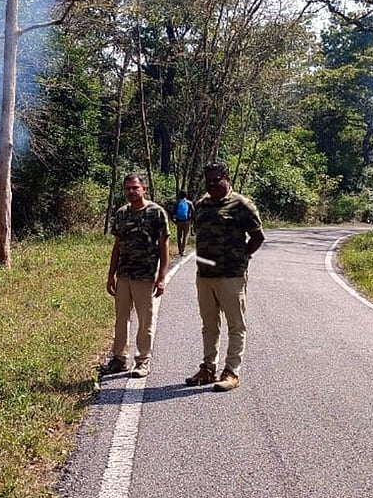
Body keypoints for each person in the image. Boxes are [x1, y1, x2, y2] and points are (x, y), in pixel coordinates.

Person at [185, 161, 264, 392]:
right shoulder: (200, 205)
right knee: (209, 324)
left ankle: (231, 372)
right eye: (208, 181)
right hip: (205, 275)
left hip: (231, 275)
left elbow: (258, 237)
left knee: (235, 325)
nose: (212, 185)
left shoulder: (242, 204)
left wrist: (242, 257)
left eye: (216, 180)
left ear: (226, 178)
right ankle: (208, 368)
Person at [103, 173, 170, 378]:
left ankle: (142, 361)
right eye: (128, 188)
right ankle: (119, 359)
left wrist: (161, 277)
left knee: (145, 320)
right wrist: (111, 275)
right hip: (124, 275)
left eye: (135, 188)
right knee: (121, 319)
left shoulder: (156, 212)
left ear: (144, 189)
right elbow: (117, 245)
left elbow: (164, 245)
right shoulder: (122, 213)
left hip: (145, 276)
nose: (131, 192)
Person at [172, 189, 195, 256]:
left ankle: (179, 250)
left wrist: (174, 221)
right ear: (186, 195)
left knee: (179, 236)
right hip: (186, 221)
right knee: (185, 236)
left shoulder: (177, 203)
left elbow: (173, 212)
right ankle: (183, 251)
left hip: (179, 221)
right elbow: (193, 212)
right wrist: (191, 220)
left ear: (179, 195)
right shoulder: (189, 203)